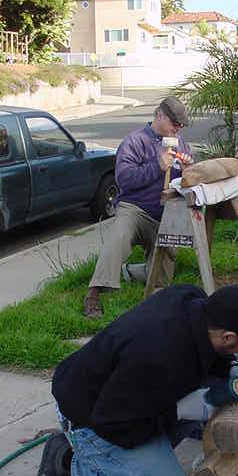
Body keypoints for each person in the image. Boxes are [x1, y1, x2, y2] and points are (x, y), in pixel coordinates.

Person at [34, 283, 238, 476]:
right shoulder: (158, 358)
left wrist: (231, 367)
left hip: (121, 394)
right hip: (96, 425)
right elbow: (114, 427)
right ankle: (69, 461)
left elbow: (203, 354)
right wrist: (180, 411)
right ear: (228, 337)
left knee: (206, 399)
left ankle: (151, 447)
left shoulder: (190, 298)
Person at [83, 96, 191, 319]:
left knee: (162, 277)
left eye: (181, 125)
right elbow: (124, 179)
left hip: (164, 214)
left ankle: (131, 271)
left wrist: (189, 170)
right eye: (175, 123)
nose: (178, 129)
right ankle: (93, 294)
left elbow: (184, 180)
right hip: (134, 208)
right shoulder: (135, 141)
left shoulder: (179, 142)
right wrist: (157, 165)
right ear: (160, 115)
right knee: (119, 238)